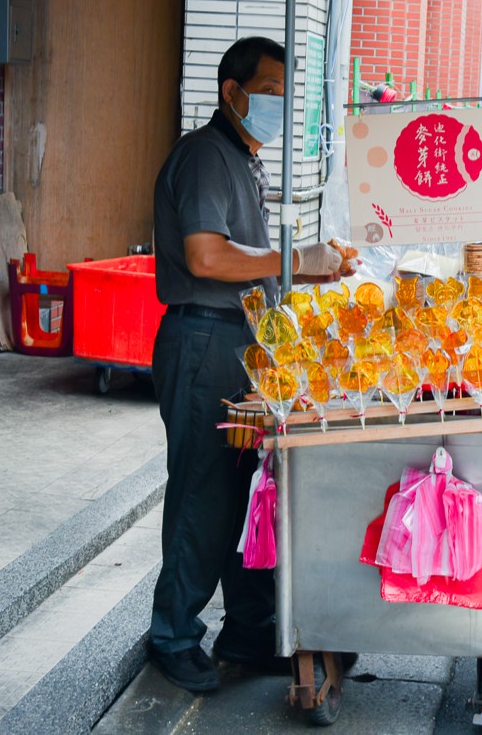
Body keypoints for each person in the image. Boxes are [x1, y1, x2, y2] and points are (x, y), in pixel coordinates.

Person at [149, 37, 351, 693]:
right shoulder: (205, 156)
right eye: (267, 93)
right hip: (204, 342)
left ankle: (247, 630)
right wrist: (295, 259)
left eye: (286, 95)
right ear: (231, 93)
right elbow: (206, 257)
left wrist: (313, 271)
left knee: (248, 495)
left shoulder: (244, 159)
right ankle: (173, 635)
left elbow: (249, 262)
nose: (278, 106)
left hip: (240, 340)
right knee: (203, 495)